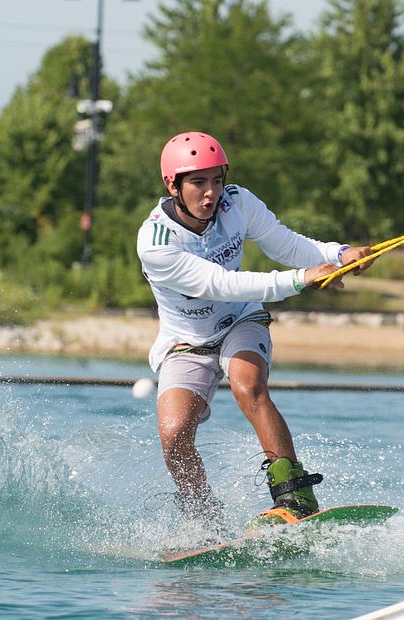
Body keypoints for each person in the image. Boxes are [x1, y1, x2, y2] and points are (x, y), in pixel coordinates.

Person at [136, 131, 374, 534]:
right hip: (185, 343)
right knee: (174, 436)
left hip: (240, 321)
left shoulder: (238, 202)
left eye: (216, 180)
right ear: (172, 185)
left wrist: (338, 254)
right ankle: (205, 523)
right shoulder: (157, 242)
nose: (210, 193)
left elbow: (285, 243)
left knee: (249, 386)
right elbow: (221, 284)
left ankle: (295, 497)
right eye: (198, 183)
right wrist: (301, 280)